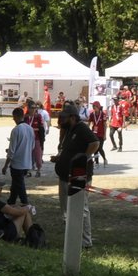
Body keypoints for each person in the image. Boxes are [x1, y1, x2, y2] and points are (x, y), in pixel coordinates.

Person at [54, 102, 99, 248]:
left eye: (64, 118)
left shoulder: (81, 128)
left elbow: (95, 143)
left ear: (73, 117)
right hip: (64, 175)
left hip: (78, 176)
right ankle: (71, 237)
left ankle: (86, 242)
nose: (61, 121)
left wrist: (83, 158)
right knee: (66, 210)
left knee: (82, 208)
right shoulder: (68, 130)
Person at [0, 174, 35, 240]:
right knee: (24, 213)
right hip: (4, 233)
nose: (1, 188)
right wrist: (28, 207)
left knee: (22, 210)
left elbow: (6, 208)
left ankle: (32, 238)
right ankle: (34, 239)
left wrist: (17, 206)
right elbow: (17, 212)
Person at [3, 106, 36, 205]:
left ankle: (25, 203)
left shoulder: (16, 130)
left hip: (17, 163)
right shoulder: (30, 129)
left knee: (19, 184)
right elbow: (32, 146)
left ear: (16, 116)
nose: (13, 119)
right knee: (16, 183)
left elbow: (12, 151)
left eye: (13, 117)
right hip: (27, 162)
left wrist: (5, 166)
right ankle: (11, 200)